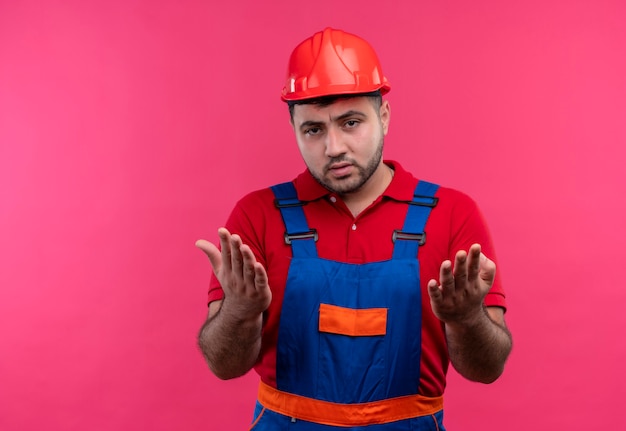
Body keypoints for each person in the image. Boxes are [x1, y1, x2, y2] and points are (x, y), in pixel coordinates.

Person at [196, 27, 512, 430]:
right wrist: (239, 311)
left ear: (383, 116)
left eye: (350, 122)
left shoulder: (452, 213)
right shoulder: (256, 215)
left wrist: (466, 318)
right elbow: (224, 366)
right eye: (313, 129)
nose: (334, 148)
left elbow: (487, 370)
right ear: (293, 128)